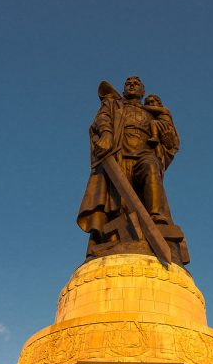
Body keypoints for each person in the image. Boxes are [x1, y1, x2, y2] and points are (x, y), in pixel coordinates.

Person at [77, 76, 188, 262]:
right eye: (128, 83)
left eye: (136, 83)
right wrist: (106, 134)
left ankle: (156, 218)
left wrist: (169, 141)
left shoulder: (152, 113)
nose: (132, 85)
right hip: (119, 154)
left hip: (144, 153)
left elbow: (170, 141)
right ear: (124, 89)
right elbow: (101, 120)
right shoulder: (114, 105)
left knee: (151, 166)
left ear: (142, 91)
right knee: (119, 203)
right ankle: (116, 238)